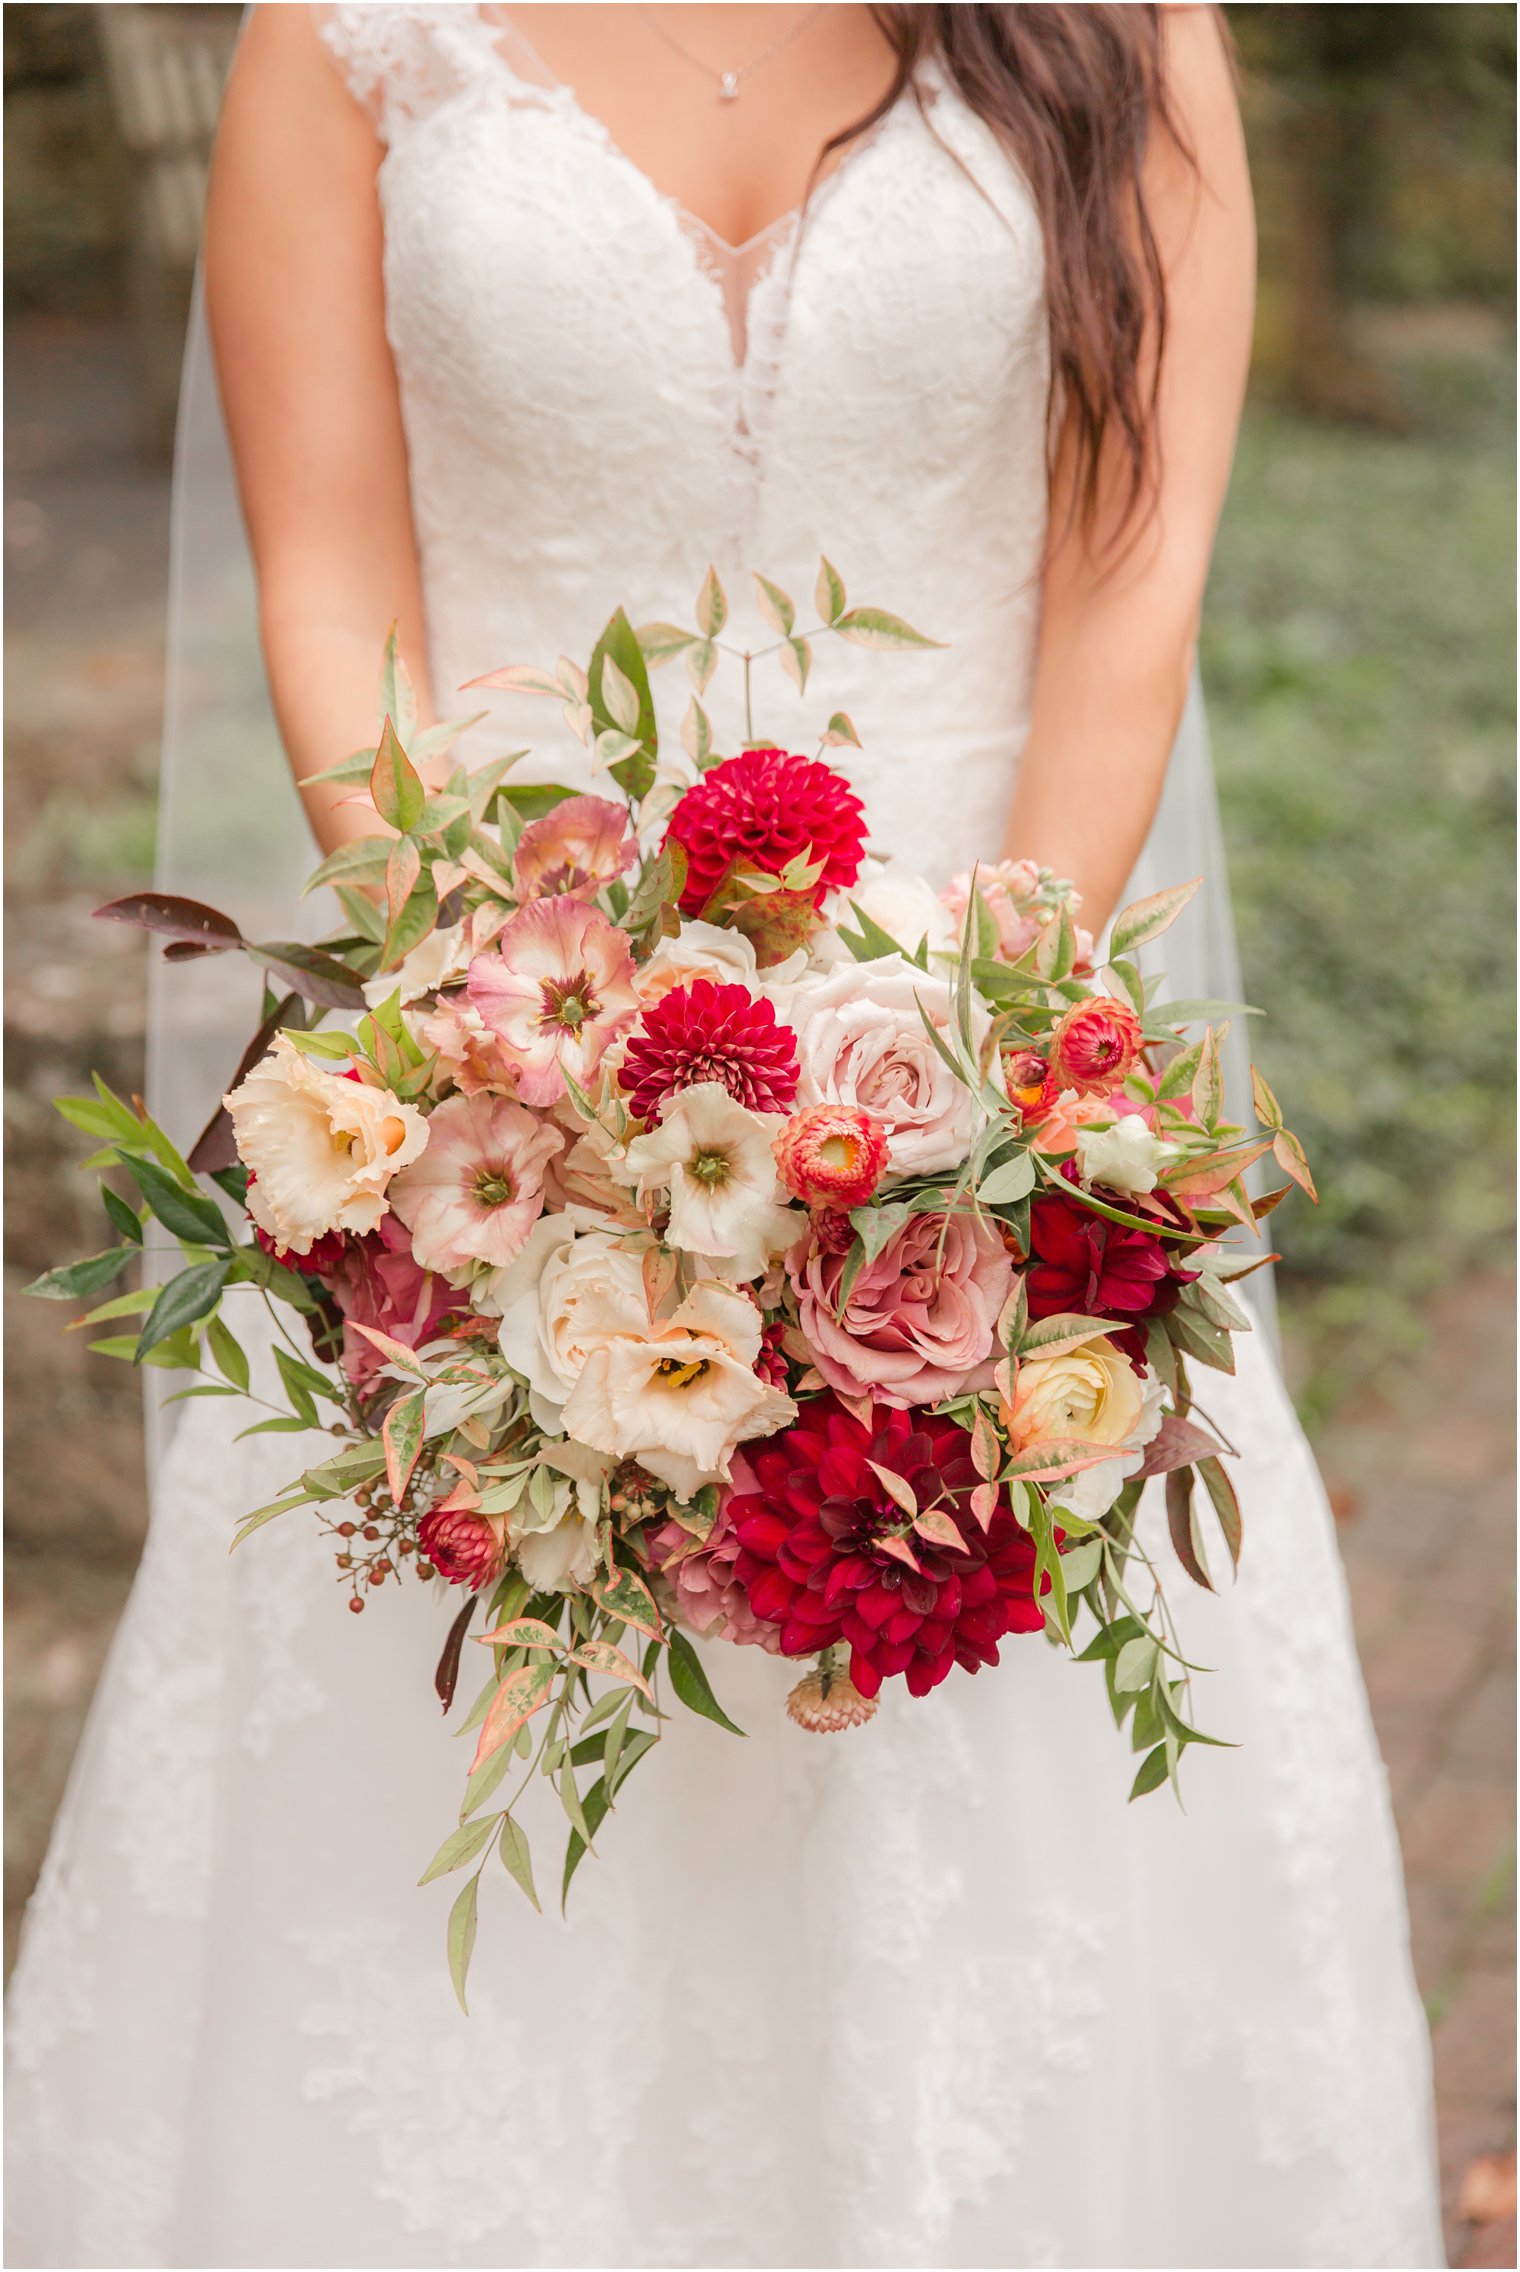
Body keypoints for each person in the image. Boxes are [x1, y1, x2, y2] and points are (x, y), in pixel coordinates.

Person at [6, 8, 1444, 2265]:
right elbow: (331, 576)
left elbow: (1129, 568)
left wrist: (984, 1076)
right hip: (521, 1108)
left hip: (985, 1084)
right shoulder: (353, 31)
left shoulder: (1114, 25)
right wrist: (515, 1065)